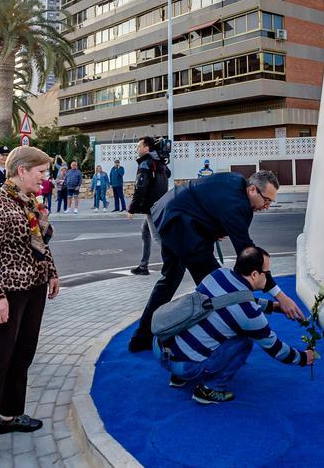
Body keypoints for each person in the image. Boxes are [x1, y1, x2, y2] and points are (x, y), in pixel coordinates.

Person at [127, 171, 304, 352]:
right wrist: (281, 297)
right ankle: (201, 342)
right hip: (179, 223)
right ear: (252, 190)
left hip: (171, 213)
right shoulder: (237, 205)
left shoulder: (236, 181)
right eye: (266, 200)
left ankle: (141, 339)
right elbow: (249, 257)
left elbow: (206, 202)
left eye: (270, 202)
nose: (267, 206)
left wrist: (213, 229)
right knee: (216, 285)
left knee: (170, 279)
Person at [0, 146, 60, 464]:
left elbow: (38, 243)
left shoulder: (29, 202)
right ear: (21, 171)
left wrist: (51, 272)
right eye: (40, 172)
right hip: (1, 292)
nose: (44, 178)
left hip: (31, 288)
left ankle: (10, 416)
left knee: (22, 356)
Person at [155, 247, 314, 404]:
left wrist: (273, 307)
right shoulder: (250, 314)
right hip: (185, 366)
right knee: (244, 342)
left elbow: (230, 300)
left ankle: (178, 377)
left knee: (207, 326)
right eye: (267, 272)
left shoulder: (218, 274)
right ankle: (210, 389)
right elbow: (276, 350)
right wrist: (303, 358)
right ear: (254, 275)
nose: (269, 277)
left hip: (160, 347)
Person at [128, 137, 170, 277]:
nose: (137, 148)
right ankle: (143, 265)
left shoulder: (146, 164)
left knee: (157, 237)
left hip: (151, 206)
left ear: (146, 148)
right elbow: (167, 175)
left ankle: (175, 263)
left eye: (139, 146)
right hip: (160, 203)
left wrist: (132, 208)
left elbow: (140, 188)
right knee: (145, 231)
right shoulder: (159, 163)